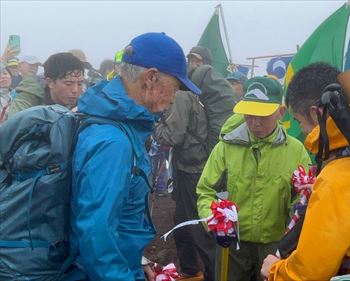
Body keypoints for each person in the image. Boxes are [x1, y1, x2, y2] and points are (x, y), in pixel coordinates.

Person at [68, 32, 200, 280]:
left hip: (119, 265)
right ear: (151, 77)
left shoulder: (119, 125)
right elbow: (96, 234)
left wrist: (137, 259)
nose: (174, 98)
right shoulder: (113, 142)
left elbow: (117, 218)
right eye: (176, 87)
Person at [261, 62, 350, 280]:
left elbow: (309, 273)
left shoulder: (340, 175)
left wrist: (274, 270)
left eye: (299, 121)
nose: (302, 130)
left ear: (316, 112)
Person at [197, 76, 311, 281]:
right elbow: (206, 191)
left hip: (274, 246)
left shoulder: (296, 151)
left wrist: (290, 235)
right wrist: (214, 221)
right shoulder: (225, 147)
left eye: (263, 116)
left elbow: (302, 198)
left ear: (280, 112)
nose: (255, 123)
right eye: (249, 115)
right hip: (231, 245)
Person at [154, 90, 215, 281]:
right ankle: (190, 269)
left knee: (196, 224)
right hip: (190, 166)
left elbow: (172, 135)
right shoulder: (195, 94)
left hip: (191, 169)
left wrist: (154, 126)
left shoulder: (181, 95)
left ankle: (212, 273)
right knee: (182, 221)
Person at [6, 52, 84, 119]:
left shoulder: (83, 103)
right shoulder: (29, 97)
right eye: (68, 84)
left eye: (80, 84)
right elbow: (14, 130)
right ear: (50, 82)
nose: (75, 90)